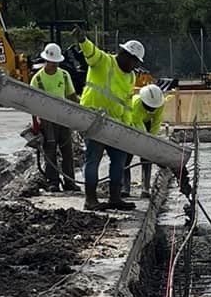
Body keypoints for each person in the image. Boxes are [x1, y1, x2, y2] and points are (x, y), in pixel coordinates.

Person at [78, 34, 144, 210]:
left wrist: (127, 126)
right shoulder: (104, 61)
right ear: (125, 55)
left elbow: (127, 104)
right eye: (135, 62)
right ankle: (90, 200)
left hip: (116, 125)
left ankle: (115, 198)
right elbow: (91, 52)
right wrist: (83, 41)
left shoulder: (130, 77)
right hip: (95, 119)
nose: (135, 66)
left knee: (119, 160)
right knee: (93, 159)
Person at [30, 42, 77, 191]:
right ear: (46, 60)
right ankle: (53, 182)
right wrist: (35, 123)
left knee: (67, 151)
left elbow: (72, 96)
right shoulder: (37, 79)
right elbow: (32, 103)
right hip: (47, 120)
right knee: (50, 151)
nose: (54, 65)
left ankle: (69, 182)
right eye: (51, 62)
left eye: (56, 62)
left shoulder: (64, 75)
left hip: (63, 119)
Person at [128, 82, 167, 194]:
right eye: (149, 107)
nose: (152, 109)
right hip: (130, 122)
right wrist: (146, 140)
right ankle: (125, 187)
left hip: (146, 122)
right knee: (127, 154)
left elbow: (156, 122)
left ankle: (145, 188)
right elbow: (137, 122)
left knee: (146, 157)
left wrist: (151, 140)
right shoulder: (136, 103)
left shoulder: (160, 104)